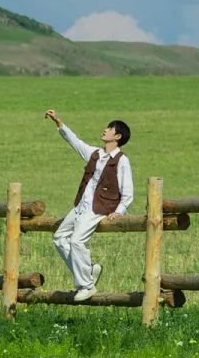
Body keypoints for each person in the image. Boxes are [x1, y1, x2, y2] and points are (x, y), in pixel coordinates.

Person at [43, 109, 133, 301]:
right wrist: (58, 121)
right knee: (59, 238)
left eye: (109, 129)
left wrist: (119, 211)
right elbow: (75, 142)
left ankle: (87, 285)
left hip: (98, 209)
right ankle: (88, 269)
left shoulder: (122, 161)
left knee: (76, 241)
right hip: (81, 206)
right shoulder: (95, 154)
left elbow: (128, 193)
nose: (105, 130)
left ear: (117, 136)